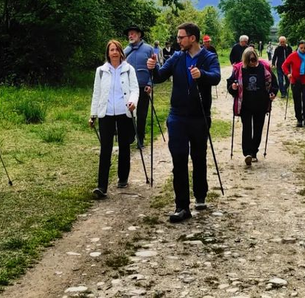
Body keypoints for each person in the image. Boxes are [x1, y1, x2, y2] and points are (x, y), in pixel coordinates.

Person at [147, 22, 221, 222]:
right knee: (179, 160)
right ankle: (181, 206)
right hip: (177, 116)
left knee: (198, 157)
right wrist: (153, 69)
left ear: (192, 38)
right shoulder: (177, 58)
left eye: (181, 37)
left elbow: (216, 77)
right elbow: (160, 77)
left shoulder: (208, 57)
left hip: (199, 116)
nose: (178, 40)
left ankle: (200, 194)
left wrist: (202, 75)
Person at [90, 39, 140, 198]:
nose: (114, 52)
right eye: (111, 50)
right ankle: (101, 186)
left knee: (125, 145)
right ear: (108, 53)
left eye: (116, 49)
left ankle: (123, 177)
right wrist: (93, 115)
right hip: (106, 114)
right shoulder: (101, 71)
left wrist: (133, 102)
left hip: (124, 111)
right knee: (105, 148)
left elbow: (135, 89)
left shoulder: (129, 69)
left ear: (121, 52)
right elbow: (96, 93)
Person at [227, 47, 276, 166]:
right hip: (245, 105)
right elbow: (230, 84)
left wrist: (273, 93)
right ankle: (247, 153)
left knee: (258, 129)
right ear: (245, 60)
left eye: (254, 59)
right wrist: (233, 87)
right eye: (249, 60)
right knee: (247, 129)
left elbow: (274, 84)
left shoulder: (264, 68)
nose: (252, 62)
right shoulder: (239, 69)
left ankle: (254, 152)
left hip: (261, 104)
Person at [124, 25, 156, 149]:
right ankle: (131, 136)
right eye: (129, 34)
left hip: (143, 87)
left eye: (133, 33)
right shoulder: (125, 51)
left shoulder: (149, 49)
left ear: (139, 35)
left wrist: (149, 83)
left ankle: (140, 139)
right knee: (129, 112)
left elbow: (154, 68)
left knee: (142, 115)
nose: (130, 36)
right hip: (129, 88)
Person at [281, 39, 305, 127]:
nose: (303, 49)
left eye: (304, 48)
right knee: (297, 100)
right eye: (301, 47)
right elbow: (284, 65)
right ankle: (299, 119)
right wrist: (288, 73)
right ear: (298, 47)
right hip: (295, 80)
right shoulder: (293, 55)